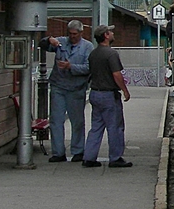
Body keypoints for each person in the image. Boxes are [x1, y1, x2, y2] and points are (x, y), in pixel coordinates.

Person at [41, 20, 94, 163]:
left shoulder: (87, 47)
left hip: (76, 88)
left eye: (75, 34)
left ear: (81, 33)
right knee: (56, 120)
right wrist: (48, 40)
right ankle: (58, 152)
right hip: (58, 86)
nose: (72, 37)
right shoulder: (61, 42)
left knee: (77, 121)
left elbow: (89, 68)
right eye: (70, 34)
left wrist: (71, 67)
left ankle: (78, 151)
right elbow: (43, 44)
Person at [83, 24, 133, 168]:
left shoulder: (94, 53)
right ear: (105, 35)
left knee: (96, 127)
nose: (112, 33)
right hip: (108, 95)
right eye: (110, 32)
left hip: (95, 93)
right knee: (115, 127)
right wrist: (124, 90)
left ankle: (89, 157)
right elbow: (116, 74)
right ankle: (115, 157)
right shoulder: (111, 54)